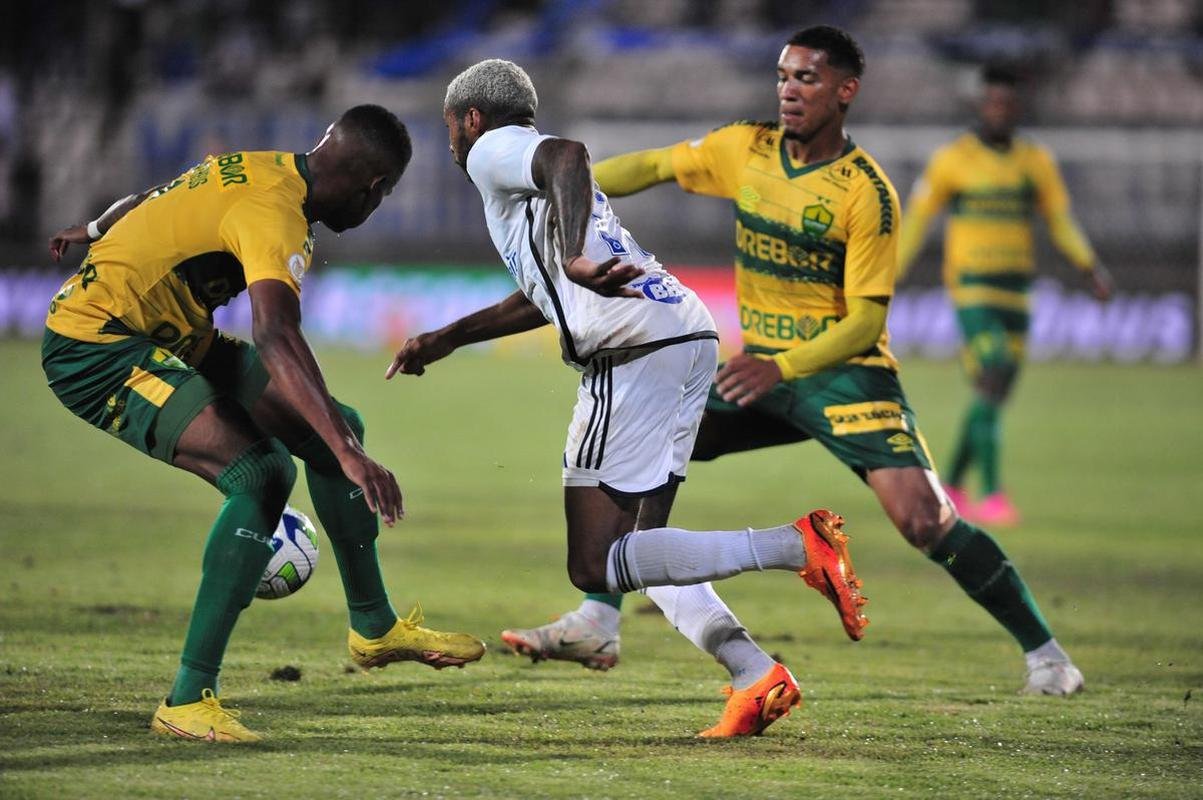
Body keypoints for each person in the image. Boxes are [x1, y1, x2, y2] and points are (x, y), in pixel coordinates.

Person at [501, 26, 1084, 696]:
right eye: (782, 76)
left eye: (805, 78)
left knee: (926, 521)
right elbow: (656, 166)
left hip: (843, 377)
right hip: (763, 371)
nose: (788, 91)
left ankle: (1045, 655)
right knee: (649, 447)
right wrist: (564, 189)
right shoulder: (744, 150)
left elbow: (866, 320)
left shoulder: (866, 193)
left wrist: (781, 367)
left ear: (845, 91)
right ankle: (598, 619)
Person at [387, 59, 869, 738]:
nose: (449, 142)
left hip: (632, 353)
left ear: (471, 119)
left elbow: (567, 153)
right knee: (646, 548)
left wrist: (577, 259)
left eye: (449, 127)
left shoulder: (495, 151)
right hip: (682, 336)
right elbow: (543, 292)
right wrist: (448, 336)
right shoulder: (543, 191)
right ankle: (751, 674)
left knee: (594, 562)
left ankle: (795, 547)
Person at [42, 105, 486, 743]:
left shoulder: (263, 167)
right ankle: (187, 700)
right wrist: (351, 454)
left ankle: (374, 627)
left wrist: (91, 226)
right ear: (372, 191)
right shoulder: (275, 216)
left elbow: (155, 195)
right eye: (382, 199)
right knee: (261, 472)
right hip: (97, 345)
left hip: (172, 330)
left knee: (340, 429)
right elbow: (276, 332)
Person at [897, 64, 1113, 526]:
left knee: (991, 396)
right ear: (981, 104)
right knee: (991, 378)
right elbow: (917, 221)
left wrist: (1088, 264)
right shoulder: (952, 159)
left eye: (1007, 103)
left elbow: (1060, 220)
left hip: (1017, 291)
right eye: (992, 101)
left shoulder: (1036, 162)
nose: (999, 110)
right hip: (973, 287)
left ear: (1018, 108)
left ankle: (950, 485)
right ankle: (992, 494)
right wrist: (886, 275)